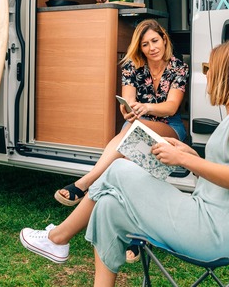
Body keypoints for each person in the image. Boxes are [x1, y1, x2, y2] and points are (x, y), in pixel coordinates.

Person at [19, 39, 229, 287]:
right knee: (108, 207)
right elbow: (227, 177)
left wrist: (183, 159)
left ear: (225, 73)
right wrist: (191, 157)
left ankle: (58, 237)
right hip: (204, 218)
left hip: (214, 232)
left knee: (118, 168)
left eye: (209, 69)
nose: (206, 76)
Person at [54, 18, 189, 207]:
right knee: (126, 153)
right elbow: (129, 101)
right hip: (137, 124)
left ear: (164, 39)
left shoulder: (179, 68)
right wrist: (127, 110)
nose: (152, 48)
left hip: (169, 126)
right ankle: (99, 194)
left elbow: (171, 106)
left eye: (155, 41)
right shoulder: (131, 67)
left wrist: (147, 107)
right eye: (145, 44)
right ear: (140, 48)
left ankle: (86, 181)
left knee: (132, 130)